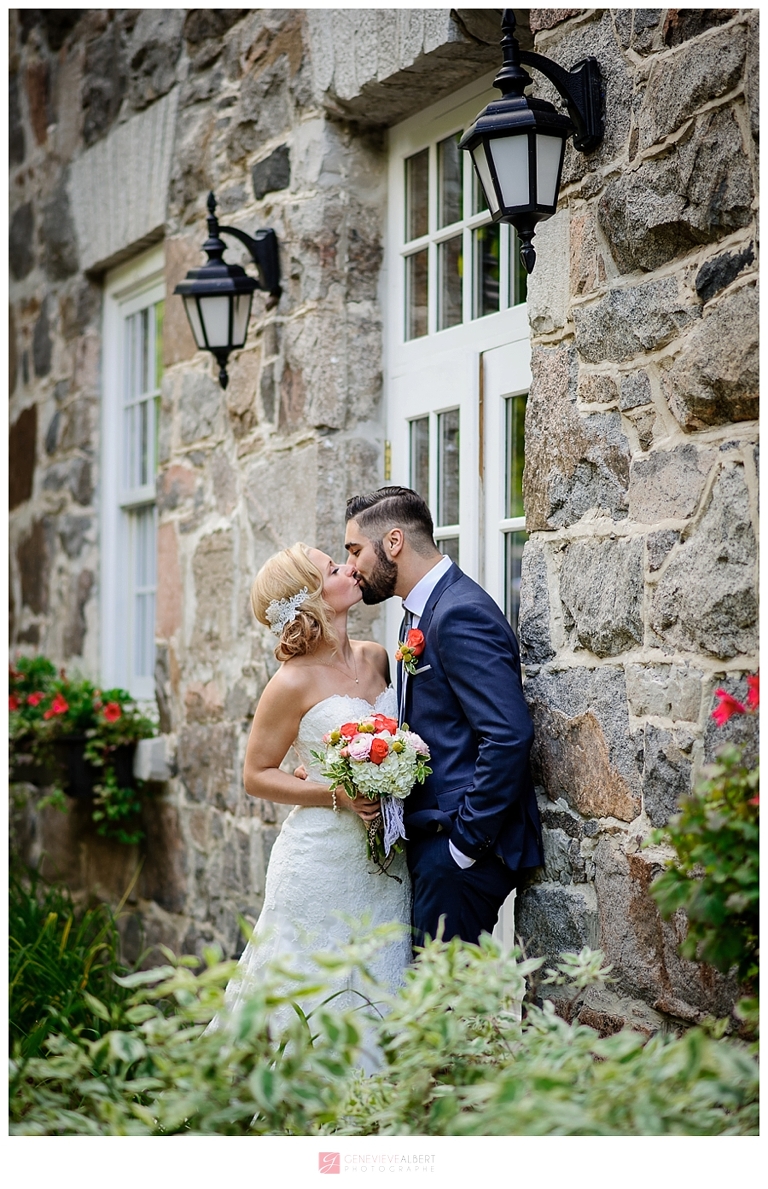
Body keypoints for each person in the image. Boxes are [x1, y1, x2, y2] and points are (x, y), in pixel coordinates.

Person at [212, 543, 412, 1051]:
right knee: (312, 990)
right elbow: (256, 774)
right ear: (312, 598)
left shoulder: (375, 656)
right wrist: (334, 794)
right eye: (332, 568)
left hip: (388, 861)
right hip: (319, 860)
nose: (349, 569)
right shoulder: (291, 683)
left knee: (379, 981)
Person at [344, 486, 543, 948]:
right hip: (434, 839)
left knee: (441, 1005)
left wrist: (465, 846)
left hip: (462, 844)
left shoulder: (459, 613)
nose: (352, 566)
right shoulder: (416, 613)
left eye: (355, 550)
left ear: (393, 542)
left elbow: (509, 735)